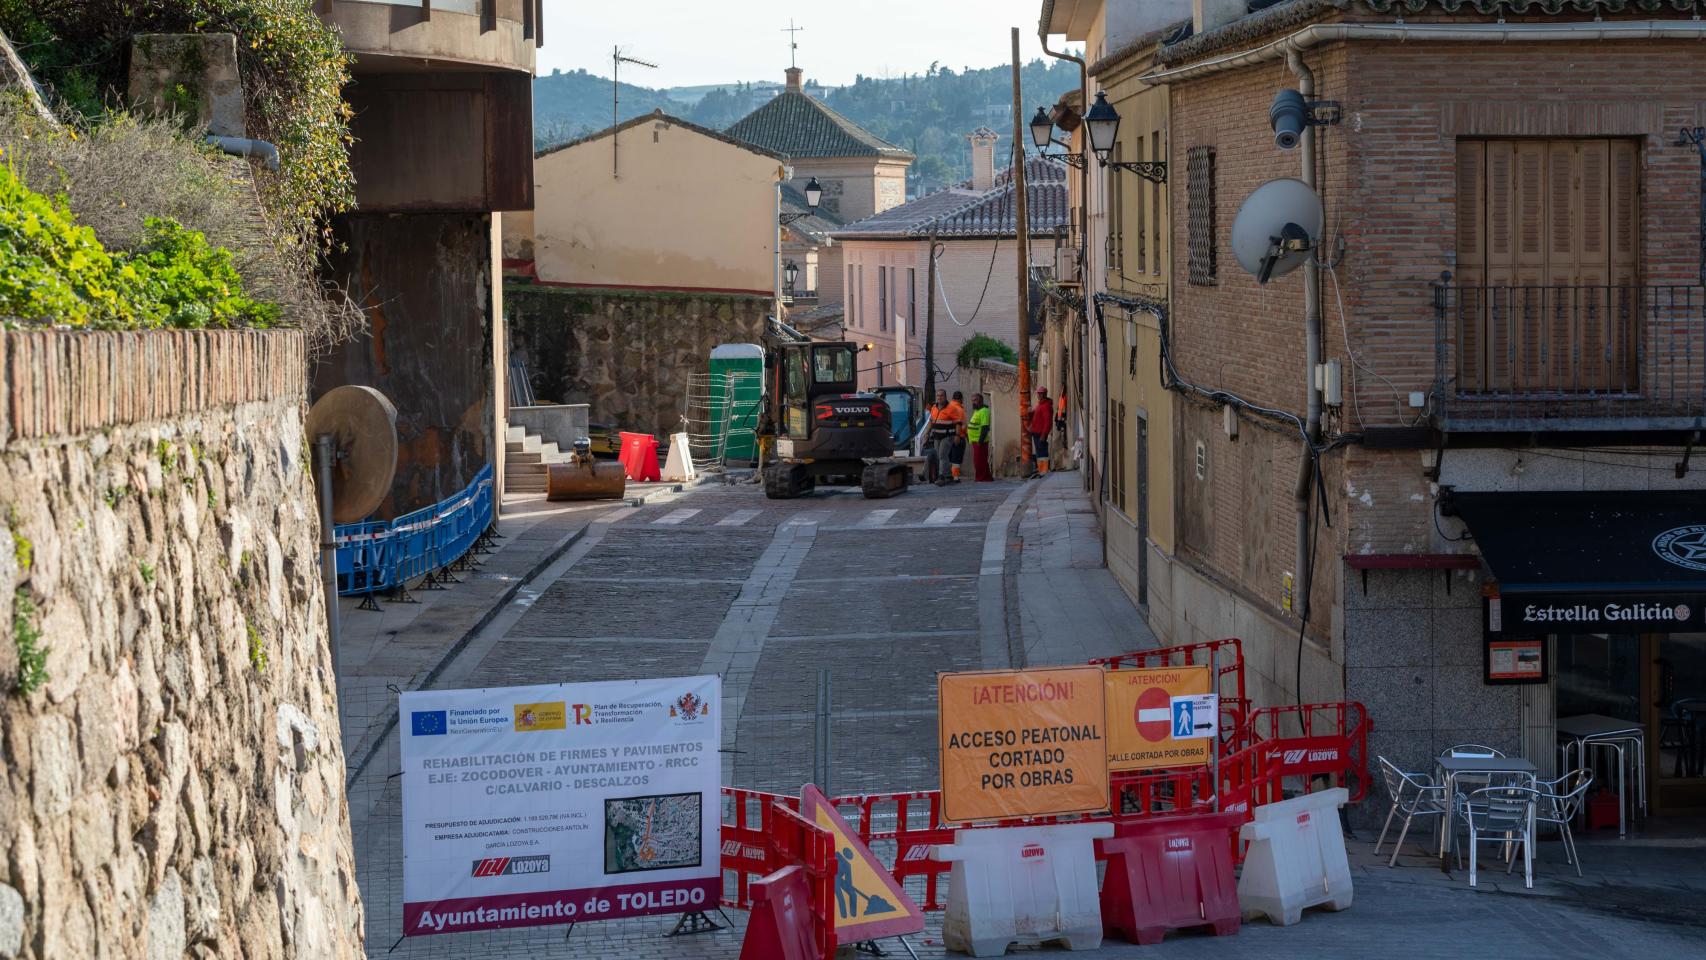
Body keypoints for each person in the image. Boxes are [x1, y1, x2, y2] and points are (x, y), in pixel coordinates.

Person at [928, 389, 965, 485]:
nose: (939, 398)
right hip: (937, 436)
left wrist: (957, 435)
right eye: (938, 396)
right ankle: (948, 475)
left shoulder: (951, 408)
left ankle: (942, 476)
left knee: (942, 455)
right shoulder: (934, 408)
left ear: (945, 397)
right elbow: (931, 421)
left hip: (948, 436)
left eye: (941, 396)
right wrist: (928, 433)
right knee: (939, 456)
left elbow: (958, 423)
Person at [1028, 387, 1055, 478]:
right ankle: (1041, 470)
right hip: (1036, 433)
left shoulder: (1046, 406)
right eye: (1038, 393)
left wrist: (1044, 435)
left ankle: (1043, 472)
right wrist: (1030, 413)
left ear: (1044, 394)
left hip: (1040, 434)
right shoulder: (1040, 404)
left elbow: (1048, 422)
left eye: (1040, 393)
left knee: (1042, 452)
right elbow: (1035, 414)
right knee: (1039, 453)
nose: (1039, 395)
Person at [968, 393, 993, 482]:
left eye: (975, 400)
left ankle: (981, 478)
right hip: (975, 440)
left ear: (981, 401)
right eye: (972, 400)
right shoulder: (977, 411)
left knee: (979, 461)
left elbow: (985, 427)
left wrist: (980, 441)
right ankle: (987, 477)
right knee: (980, 460)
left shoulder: (984, 411)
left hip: (980, 441)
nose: (973, 402)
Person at [948, 391, 968, 483]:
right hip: (958, 436)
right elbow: (962, 425)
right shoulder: (959, 410)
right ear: (961, 399)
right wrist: (965, 435)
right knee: (956, 458)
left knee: (949, 457)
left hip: (948, 436)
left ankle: (948, 475)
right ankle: (955, 476)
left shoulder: (948, 407)